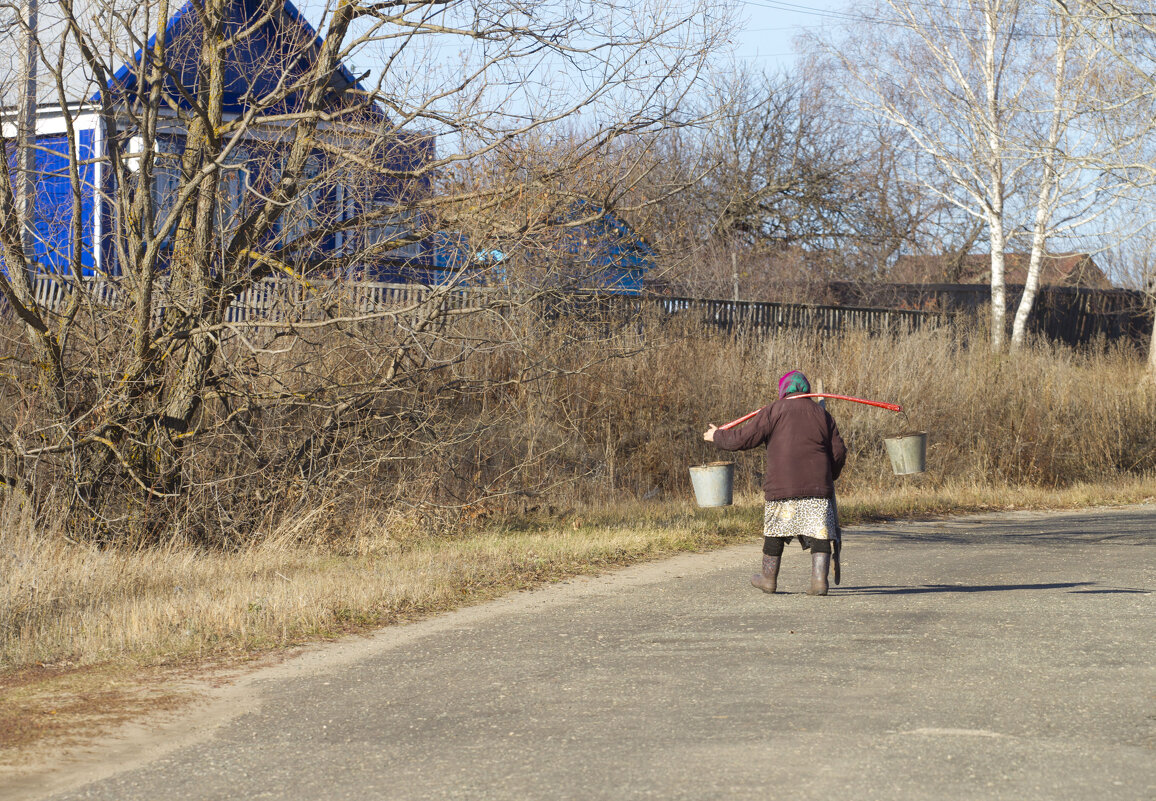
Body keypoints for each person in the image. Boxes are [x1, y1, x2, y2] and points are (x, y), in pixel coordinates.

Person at [703, 370, 847, 596]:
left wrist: (718, 436)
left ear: (783, 390)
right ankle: (819, 581)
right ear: (806, 390)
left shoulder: (772, 411)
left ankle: (769, 579)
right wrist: (830, 476)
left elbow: (743, 438)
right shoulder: (822, 415)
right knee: (819, 531)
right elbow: (838, 452)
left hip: (781, 487)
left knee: (776, 531)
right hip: (818, 487)